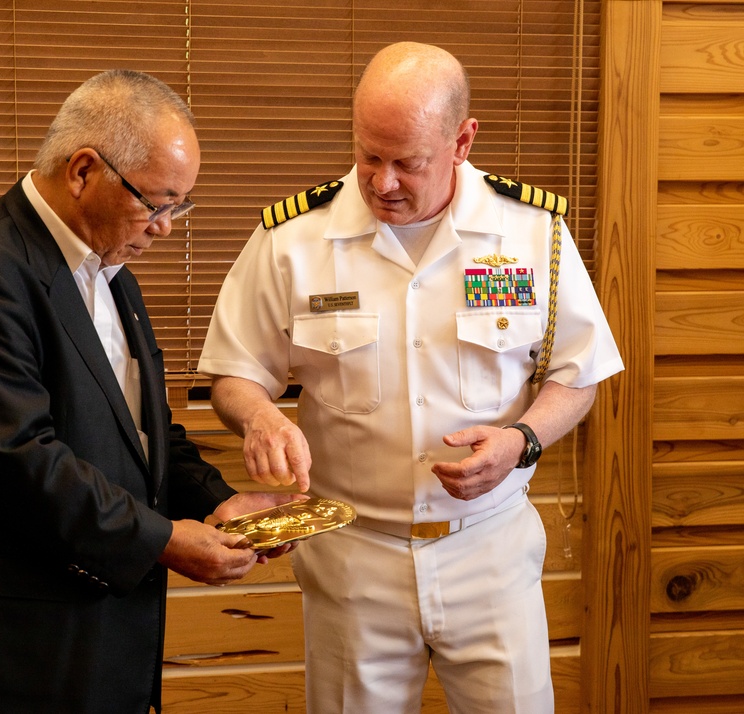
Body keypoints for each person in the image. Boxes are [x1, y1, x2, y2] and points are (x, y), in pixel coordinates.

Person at [198, 42, 624, 713]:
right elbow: (233, 373)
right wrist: (257, 415)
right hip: (351, 554)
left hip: (489, 549)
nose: (382, 182)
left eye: (407, 162)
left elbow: (580, 374)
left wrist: (520, 441)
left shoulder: (530, 231)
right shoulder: (295, 239)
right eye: (369, 155)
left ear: (462, 140)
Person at [0, 69, 301, 714]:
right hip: (8, 651)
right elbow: (21, 462)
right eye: (157, 203)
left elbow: (141, 432)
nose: (165, 227)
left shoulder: (107, 262)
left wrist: (220, 503)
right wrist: (163, 541)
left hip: (101, 636)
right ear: (82, 171)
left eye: (180, 206)